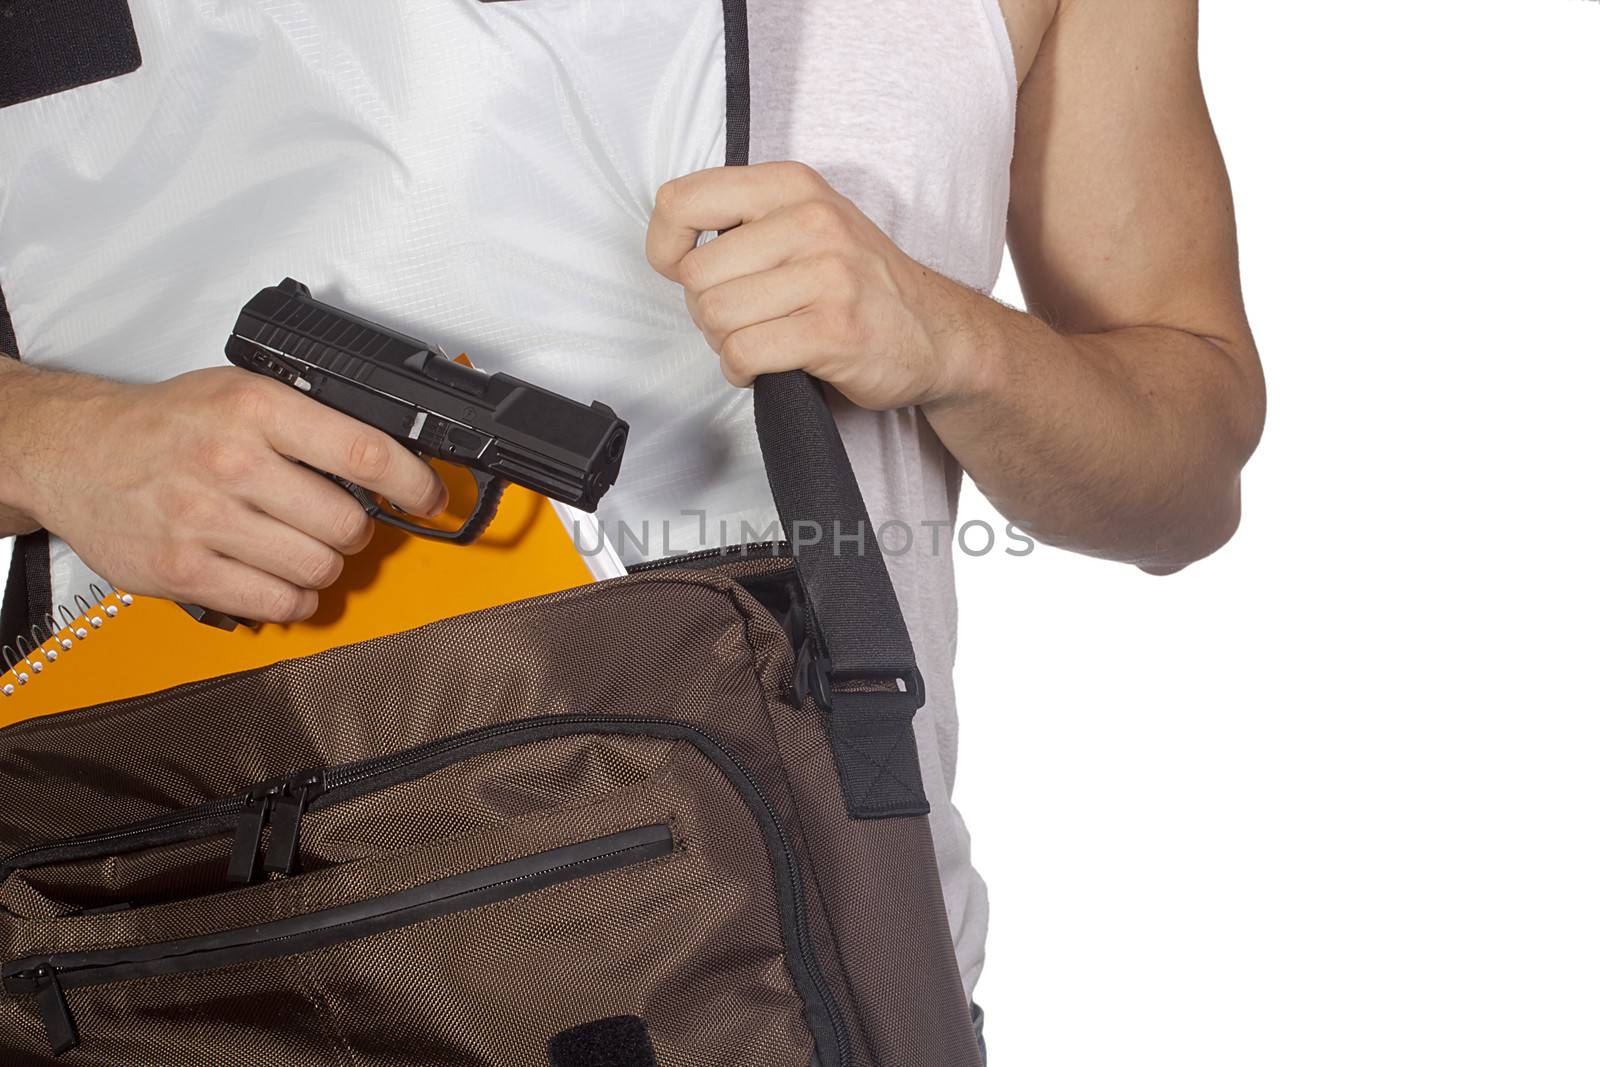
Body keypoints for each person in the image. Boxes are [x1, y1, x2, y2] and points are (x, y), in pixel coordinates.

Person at [0, 0, 1263, 1038]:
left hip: (779, 970)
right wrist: (54, 437)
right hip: (172, 943)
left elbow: (1186, 475)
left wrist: (957, 341)